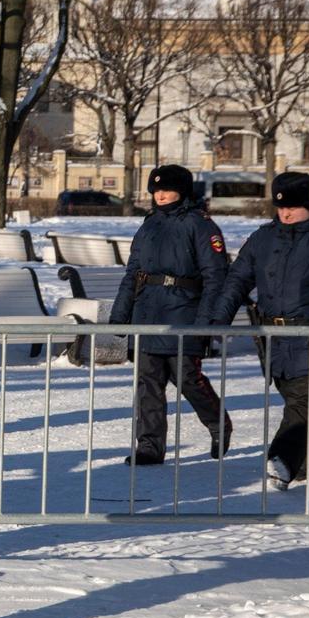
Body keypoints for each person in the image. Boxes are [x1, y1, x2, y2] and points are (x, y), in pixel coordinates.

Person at [212, 172, 309, 489]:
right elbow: (238, 279)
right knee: (295, 398)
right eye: (281, 207)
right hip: (274, 337)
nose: (285, 213)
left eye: (293, 207)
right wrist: (218, 320)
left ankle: (282, 460)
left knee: (301, 401)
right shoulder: (263, 239)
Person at [109, 164, 233, 465]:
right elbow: (133, 273)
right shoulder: (149, 225)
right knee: (148, 382)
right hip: (147, 311)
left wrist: (205, 324)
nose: (161, 195)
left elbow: (215, 276)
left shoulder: (200, 225)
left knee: (188, 377)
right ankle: (149, 446)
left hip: (184, 312)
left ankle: (218, 423)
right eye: (156, 190)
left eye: (167, 190)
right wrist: (120, 314)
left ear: (183, 191)